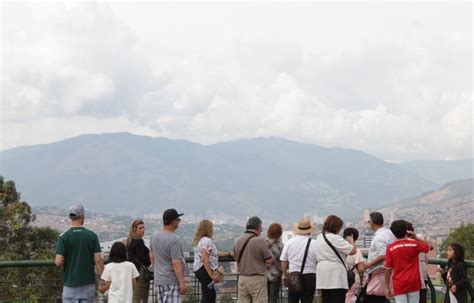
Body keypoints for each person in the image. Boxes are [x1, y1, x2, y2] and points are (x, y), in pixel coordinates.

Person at [55, 204, 104, 303]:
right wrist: (103, 278)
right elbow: (98, 261)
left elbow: (58, 262)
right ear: (82, 217)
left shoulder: (63, 237)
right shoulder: (92, 236)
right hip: (88, 285)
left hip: (70, 286)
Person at [384, 220, 430, 303]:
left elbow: (388, 269)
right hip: (414, 282)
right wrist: (415, 237)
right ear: (406, 230)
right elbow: (428, 247)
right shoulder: (415, 244)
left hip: (399, 283)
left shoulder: (390, 248)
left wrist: (387, 286)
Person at [316, 215, 356, 303]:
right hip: (335, 275)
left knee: (326, 299)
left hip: (322, 273)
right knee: (337, 298)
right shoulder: (336, 238)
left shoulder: (319, 237)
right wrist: (351, 242)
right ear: (337, 227)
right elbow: (353, 251)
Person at [150, 208, 187, 303]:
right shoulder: (173, 240)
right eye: (178, 220)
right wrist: (182, 282)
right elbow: (176, 263)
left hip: (158, 280)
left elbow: (152, 257)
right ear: (174, 221)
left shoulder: (154, 236)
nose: (179, 222)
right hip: (171, 281)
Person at [233, 216, 273, 303]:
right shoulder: (260, 241)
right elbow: (269, 260)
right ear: (258, 227)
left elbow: (235, 257)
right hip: (257, 278)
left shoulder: (237, 240)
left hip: (242, 278)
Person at [192, 219, 232, 303]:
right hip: (204, 270)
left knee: (210, 293)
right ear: (208, 229)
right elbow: (205, 258)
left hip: (199, 269)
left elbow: (214, 253)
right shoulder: (207, 241)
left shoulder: (199, 240)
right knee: (208, 294)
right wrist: (211, 275)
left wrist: (227, 254)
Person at [281, 218, 318, 303]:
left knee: (293, 300)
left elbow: (283, 260)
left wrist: (284, 274)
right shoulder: (314, 244)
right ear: (310, 230)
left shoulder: (289, 243)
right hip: (310, 276)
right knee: (307, 300)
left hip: (294, 276)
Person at [361, 212, 395, 303]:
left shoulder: (379, 237)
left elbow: (383, 255)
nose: (368, 223)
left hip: (379, 271)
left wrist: (368, 264)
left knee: (374, 297)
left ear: (373, 222)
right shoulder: (388, 232)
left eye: (369, 221)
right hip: (388, 271)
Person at [127, 219, 152, 303]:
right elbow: (142, 258)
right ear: (135, 229)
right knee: (140, 297)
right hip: (140, 273)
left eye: (143, 228)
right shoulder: (138, 242)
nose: (143, 230)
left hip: (134, 272)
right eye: (140, 228)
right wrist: (150, 256)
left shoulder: (130, 241)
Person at [406, 222, 430, 303]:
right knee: (421, 297)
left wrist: (415, 237)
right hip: (420, 271)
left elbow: (430, 247)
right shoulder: (419, 238)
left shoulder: (416, 238)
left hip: (413, 273)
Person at [343, 228, 365, 303]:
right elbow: (361, 268)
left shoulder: (340, 250)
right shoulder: (357, 252)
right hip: (353, 280)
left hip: (341, 280)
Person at [266, 223, 284, 303]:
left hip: (263, 275)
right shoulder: (281, 245)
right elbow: (283, 261)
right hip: (276, 276)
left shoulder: (262, 243)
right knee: (273, 299)